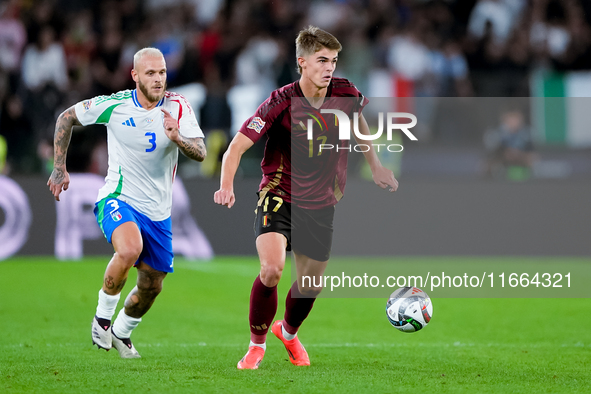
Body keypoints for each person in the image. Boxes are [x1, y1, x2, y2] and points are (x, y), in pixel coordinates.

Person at [214, 26, 398, 370]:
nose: (330, 67)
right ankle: (256, 345)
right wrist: (226, 185)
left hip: (322, 202)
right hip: (279, 195)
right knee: (271, 270)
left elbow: (360, 128)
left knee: (312, 283)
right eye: (322, 60)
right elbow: (236, 147)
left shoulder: (346, 93)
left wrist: (376, 167)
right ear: (302, 62)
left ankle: (289, 332)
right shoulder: (280, 102)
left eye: (334, 60)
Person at [47, 47, 206, 358]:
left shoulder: (179, 106)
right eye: (150, 73)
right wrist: (59, 166)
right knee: (129, 248)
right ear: (135, 76)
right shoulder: (116, 106)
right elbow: (66, 118)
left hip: (159, 211)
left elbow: (200, 151)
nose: (159, 79)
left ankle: (121, 332)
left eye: (162, 72)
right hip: (118, 198)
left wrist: (178, 138)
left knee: (152, 286)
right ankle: (102, 319)